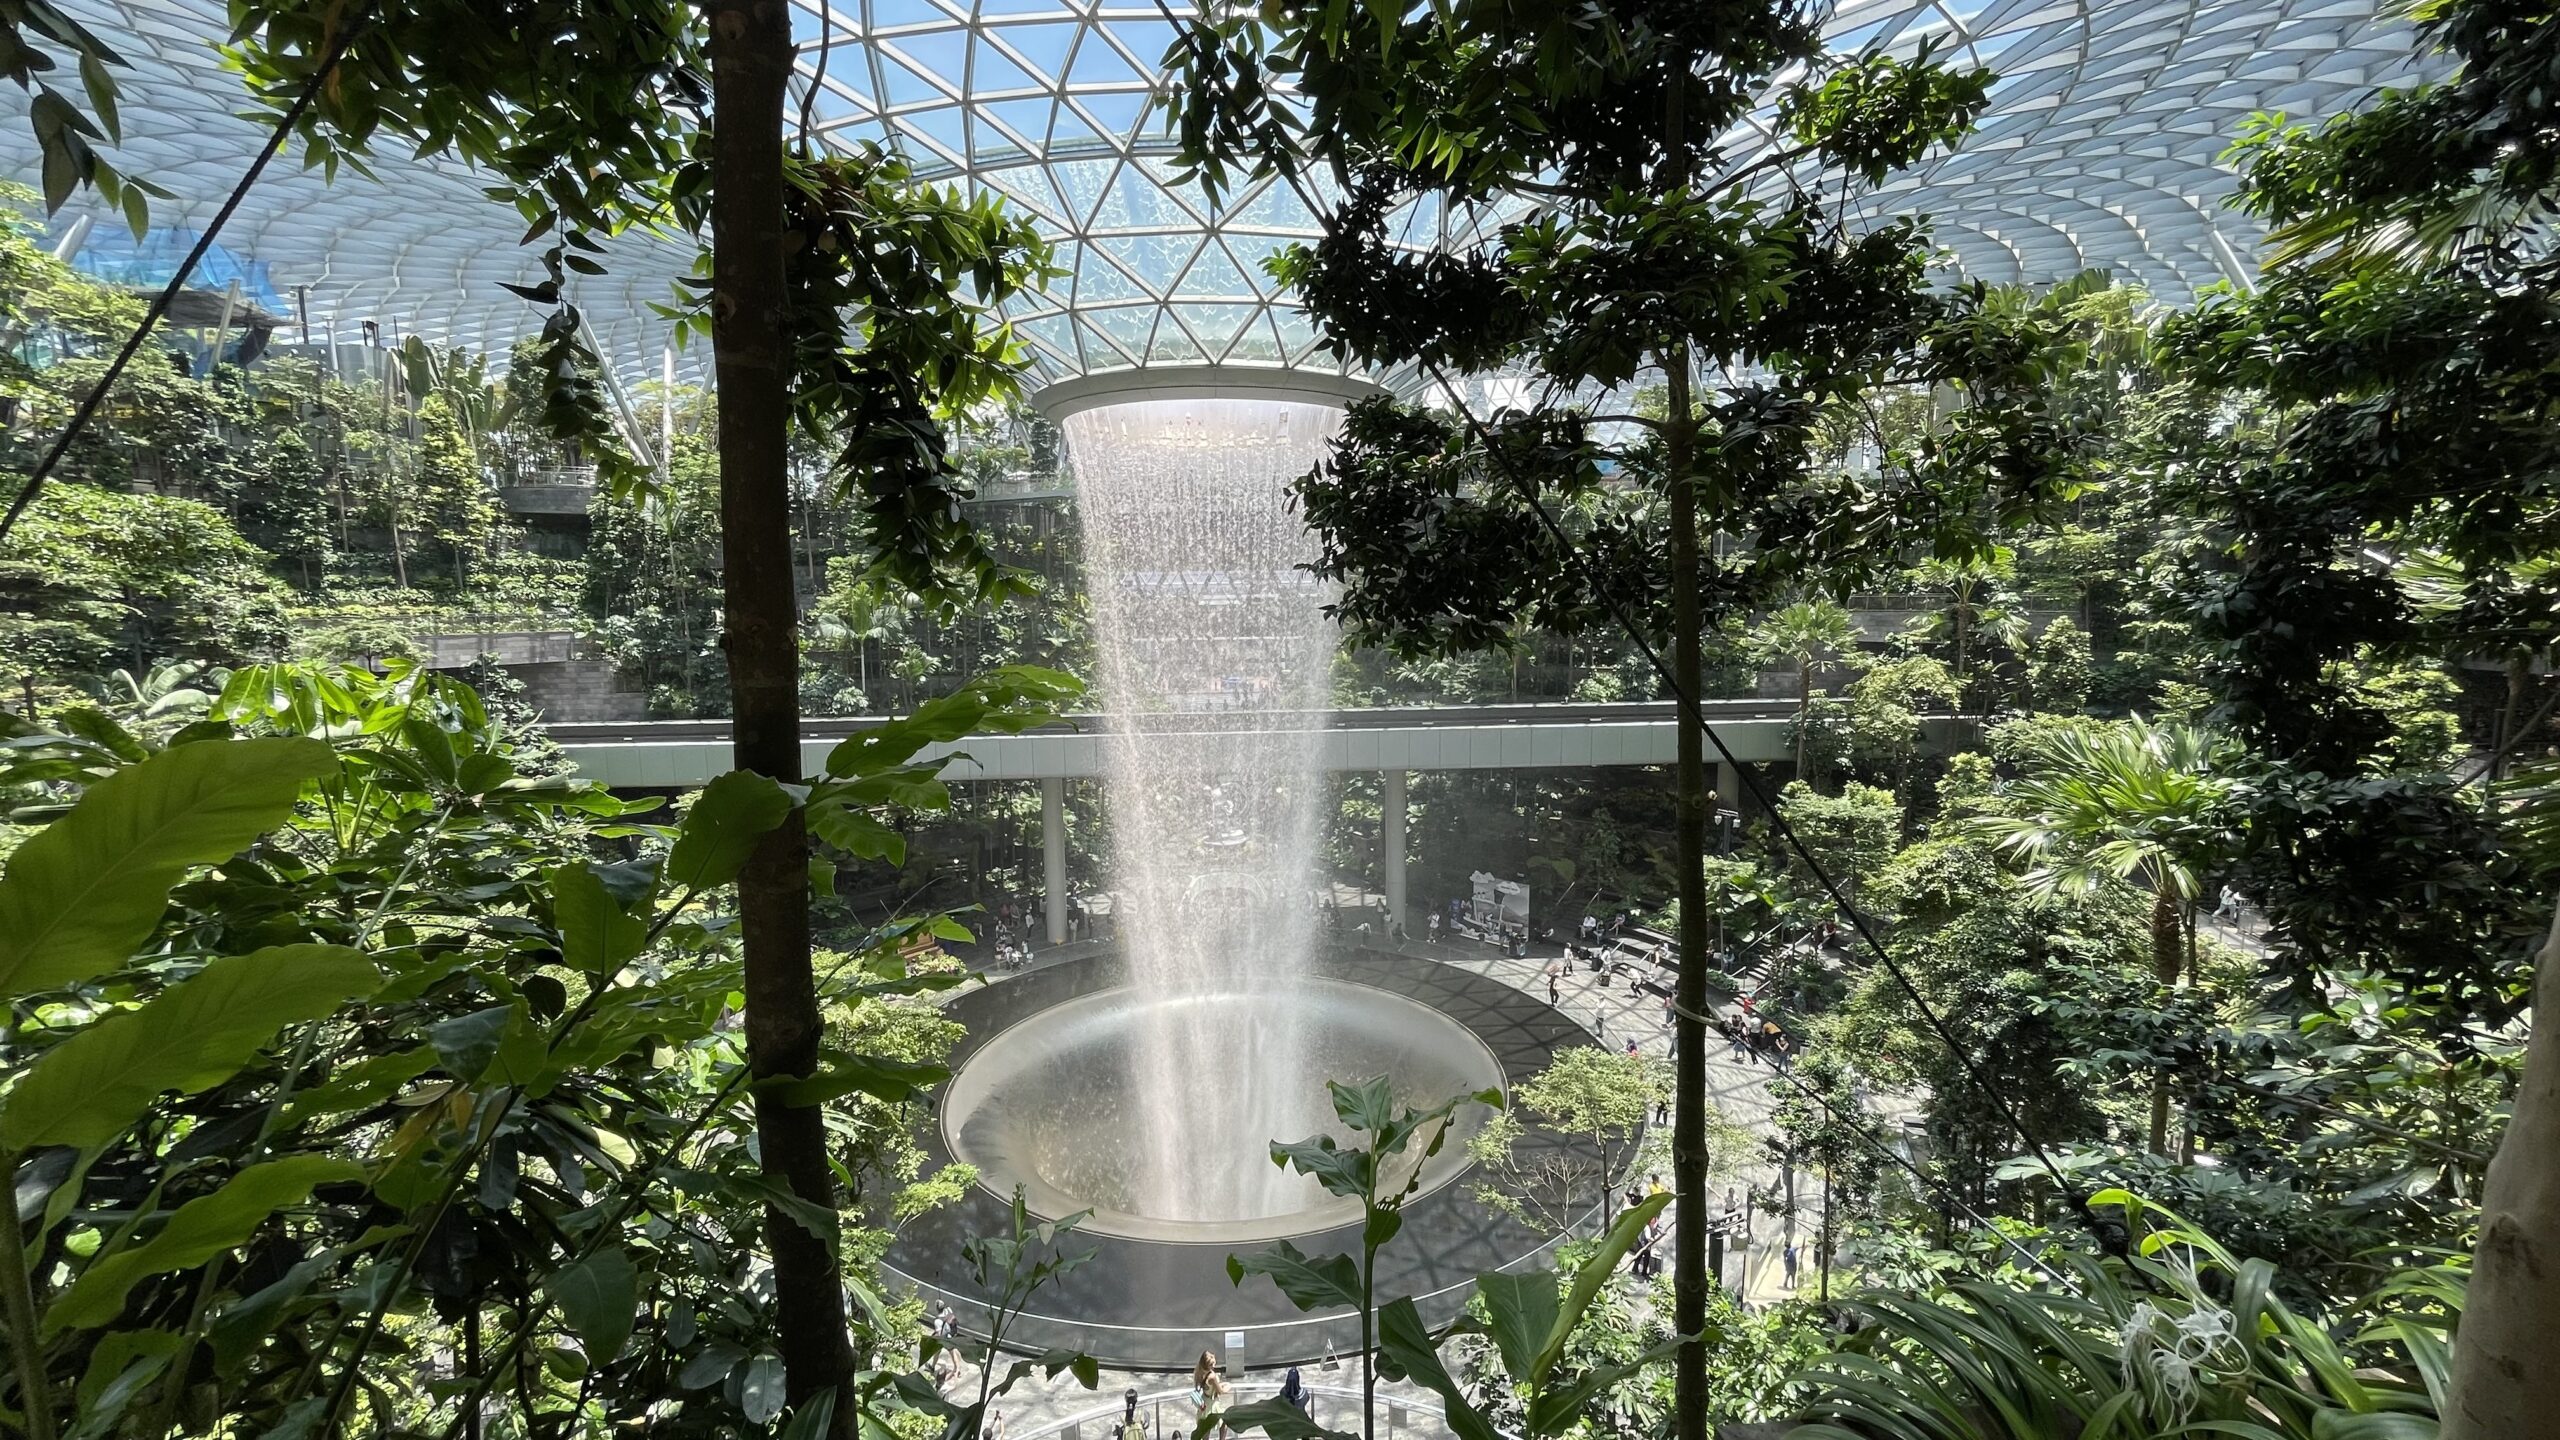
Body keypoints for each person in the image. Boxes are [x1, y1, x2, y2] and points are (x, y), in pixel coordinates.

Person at [1192, 1352, 1231, 1440]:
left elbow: (1207, 1387)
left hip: (1204, 1401)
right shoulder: (1212, 1376)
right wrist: (1228, 1386)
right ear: (1206, 1365)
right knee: (1224, 1421)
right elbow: (1220, 1391)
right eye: (1211, 1364)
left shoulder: (1199, 1372)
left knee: (1206, 1429)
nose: (1214, 1366)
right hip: (1212, 1404)